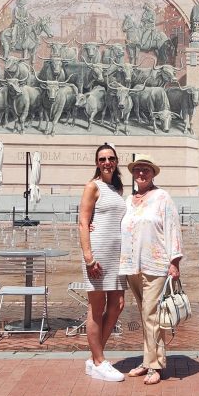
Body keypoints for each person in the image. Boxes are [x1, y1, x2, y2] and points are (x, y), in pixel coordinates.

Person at [119, 154, 183, 386]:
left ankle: (156, 365)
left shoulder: (162, 197)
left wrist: (174, 262)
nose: (142, 173)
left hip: (155, 264)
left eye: (146, 170)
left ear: (153, 173)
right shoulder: (128, 200)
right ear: (133, 174)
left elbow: (173, 228)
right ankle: (147, 360)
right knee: (145, 315)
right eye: (138, 170)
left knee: (152, 315)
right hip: (132, 265)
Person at [77, 143, 127, 382]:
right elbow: (83, 222)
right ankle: (98, 361)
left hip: (116, 256)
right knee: (96, 309)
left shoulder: (117, 188)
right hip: (97, 255)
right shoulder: (92, 186)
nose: (107, 162)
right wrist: (88, 257)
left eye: (111, 158)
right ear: (97, 163)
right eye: (102, 159)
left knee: (117, 305)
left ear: (116, 161)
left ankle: (96, 357)